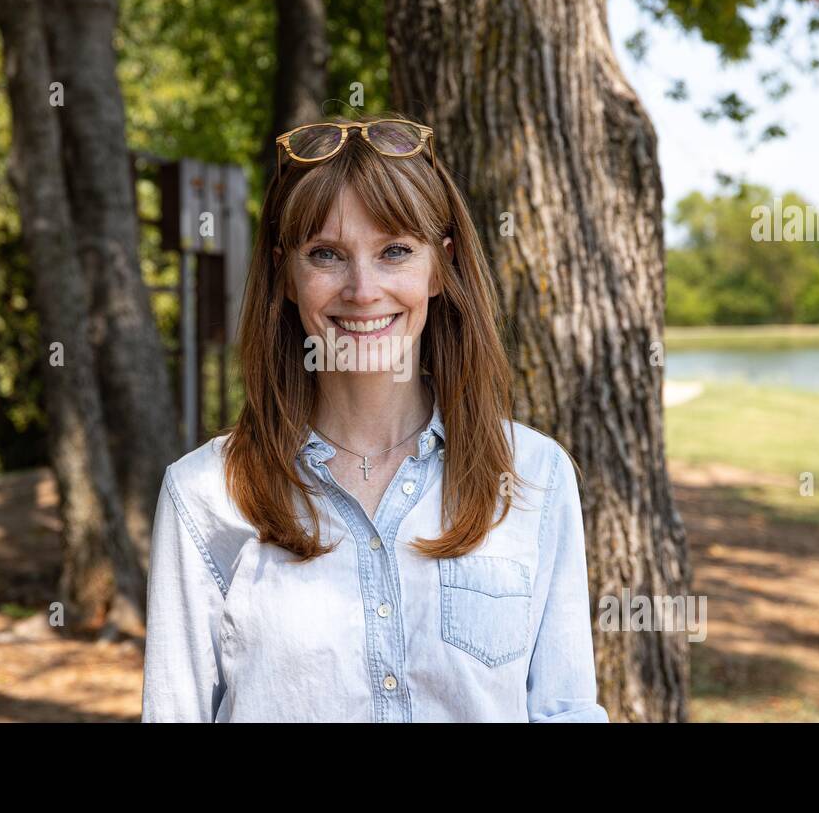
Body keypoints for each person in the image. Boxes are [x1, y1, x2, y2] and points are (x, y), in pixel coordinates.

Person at [141, 112, 608, 722]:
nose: (363, 290)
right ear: (286, 274)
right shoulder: (203, 495)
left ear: (440, 267)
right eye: (327, 255)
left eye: (394, 251)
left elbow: (565, 711)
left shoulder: (535, 477)